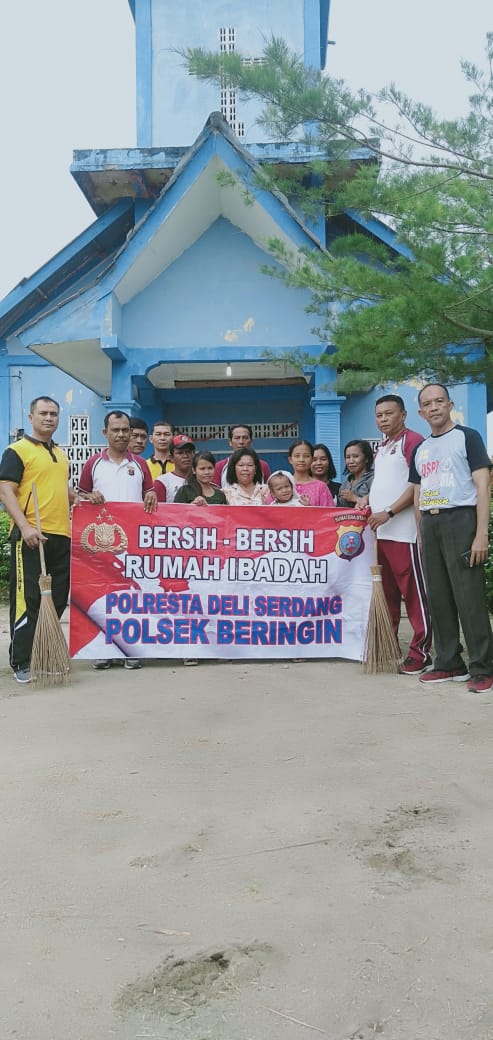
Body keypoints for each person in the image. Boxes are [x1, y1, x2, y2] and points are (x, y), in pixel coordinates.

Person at [410, 383, 493, 692]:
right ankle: (448, 662)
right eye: (428, 404)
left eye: (439, 401)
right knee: (439, 596)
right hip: (430, 525)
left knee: (468, 596)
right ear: (421, 412)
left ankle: (483, 667)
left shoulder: (467, 438)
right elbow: (418, 493)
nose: (434, 407)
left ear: (449, 405)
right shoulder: (421, 449)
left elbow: (483, 486)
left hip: (461, 519)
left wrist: (480, 534)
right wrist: (421, 532)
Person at [0, 397, 76, 684]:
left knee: (56, 599)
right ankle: (22, 659)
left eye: (54, 414)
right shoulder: (16, 450)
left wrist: (79, 497)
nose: (49, 418)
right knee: (28, 600)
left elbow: (60, 487)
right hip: (31, 535)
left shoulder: (59, 453)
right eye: (43, 413)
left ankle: (44, 652)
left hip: (61, 533)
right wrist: (25, 526)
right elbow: (6, 490)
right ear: (31, 417)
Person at [78, 410, 158, 671]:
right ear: (105, 433)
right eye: (116, 430)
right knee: (103, 597)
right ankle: (104, 650)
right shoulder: (93, 464)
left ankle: (131, 649)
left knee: (131, 596)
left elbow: (150, 494)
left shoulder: (141, 465)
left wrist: (151, 497)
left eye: (126, 430)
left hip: (132, 543)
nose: (122, 435)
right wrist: (91, 496)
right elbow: (80, 497)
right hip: (100, 546)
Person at [368, 394, 432, 674]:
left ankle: (421, 652)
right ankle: (388, 645)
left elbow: (416, 486)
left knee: (414, 594)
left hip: (403, 531)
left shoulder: (412, 440)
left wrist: (390, 512)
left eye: (388, 413)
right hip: (381, 533)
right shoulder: (382, 447)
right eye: (379, 414)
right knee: (389, 593)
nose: (383, 419)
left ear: (403, 415)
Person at [287, 440, 334, 506]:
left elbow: (328, 514)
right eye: (297, 456)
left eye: (306, 456)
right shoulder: (281, 484)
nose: (301, 460)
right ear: (290, 460)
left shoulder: (321, 487)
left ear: (312, 459)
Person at [154, 435, 195, 501]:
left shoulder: (202, 479)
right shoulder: (162, 482)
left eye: (188, 452)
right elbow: (158, 510)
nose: (185, 456)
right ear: (171, 458)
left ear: (193, 454)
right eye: (180, 453)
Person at [337, 441, 374, 507]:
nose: (351, 461)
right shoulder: (344, 486)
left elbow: (379, 502)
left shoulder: (374, 479)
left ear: (366, 459)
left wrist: (355, 498)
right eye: (348, 457)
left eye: (355, 456)